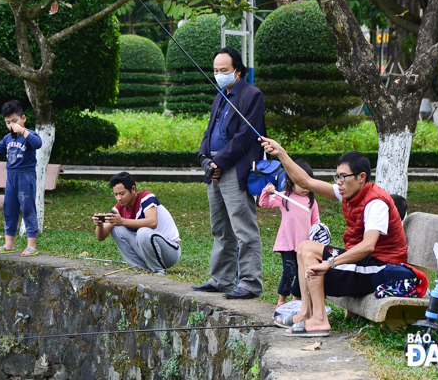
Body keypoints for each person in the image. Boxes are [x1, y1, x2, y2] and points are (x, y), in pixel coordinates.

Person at [261, 137, 408, 337]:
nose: (338, 182)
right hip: (364, 265)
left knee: (310, 250)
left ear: (361, 177)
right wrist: (280, 153)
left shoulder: (376, 203)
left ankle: (320, 320)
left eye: (343, 177)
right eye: (336, 176)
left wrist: (329, 264)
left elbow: (367, 247)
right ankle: (306, 312)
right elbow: (306, 182)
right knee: (304, 246)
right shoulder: (349, 192)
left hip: (381, 268)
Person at [192, 47, 267, 299]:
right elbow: (209, 131)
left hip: (235, 169)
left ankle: (250, 283)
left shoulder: (251, 95)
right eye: (215, 70)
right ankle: (221, 279)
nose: (218, 74)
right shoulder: (219, 96)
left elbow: (246, 136)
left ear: (238, 71)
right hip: (214, 168)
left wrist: (220, 162)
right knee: (220, 228)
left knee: (243, 228)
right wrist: (204, 159)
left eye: (223, 70)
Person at [258, 160, 324, 308]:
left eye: (307, 183)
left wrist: (319, 236)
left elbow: (316, 223)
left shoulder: (311, 202)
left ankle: (296, 301)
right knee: (289, 272)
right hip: (287, 244)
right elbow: (264, 203)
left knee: (303, 274)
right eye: (300, 183)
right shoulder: (283, 197)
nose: (304, 188)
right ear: (290, 181)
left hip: (305, 246)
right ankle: (281, 301)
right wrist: (266, 191)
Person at [93, 172, 181, 275]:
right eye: (116, 194)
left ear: (133, 189)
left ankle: (159, 271)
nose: (119, 198)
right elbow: (100, 237)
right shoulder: (119, 208)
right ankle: (140, 269)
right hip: (149, 252)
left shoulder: (146, 197)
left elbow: (153, 222)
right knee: (116, 228)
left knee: (143, 232)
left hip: (170, 252)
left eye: (122, 193)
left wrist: (122, 221)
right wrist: (99, 225)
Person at [0, 100, 43, 256]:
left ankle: (31, 245)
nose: (12, 125)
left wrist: (23, 131)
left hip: (26, 177)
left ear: (23, 118)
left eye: (15, 121)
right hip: (11, 178)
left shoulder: (29, 134)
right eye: (8, 122)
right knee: (9, 208)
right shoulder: (8, 138)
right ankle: (9, 244)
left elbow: (38, 143)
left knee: (27, 208)